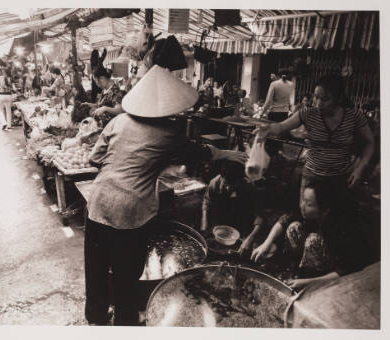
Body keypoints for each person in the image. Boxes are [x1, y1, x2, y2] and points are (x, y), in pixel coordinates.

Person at [84, 65, 249, 326]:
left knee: (96, 269)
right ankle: (124, 323)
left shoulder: (118, 120)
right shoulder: (169, 134)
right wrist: (229, 154)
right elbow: (201, 153)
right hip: (131, 210)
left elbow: (94, 159)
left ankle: (95, 319)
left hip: (97, 202)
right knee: (126, 276)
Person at [254, 75, 375, 197]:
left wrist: (360, 168)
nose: (318, 103)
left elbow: (370, 142)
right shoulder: (308, 113)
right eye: (316, 97)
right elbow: (281, 127)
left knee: (334, 214)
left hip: (341, 178)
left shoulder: (354, 116)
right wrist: (268, 128)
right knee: (309, 213)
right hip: (312, 176)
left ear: (339, 99)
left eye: (325, 99)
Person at [251, 181, 370, 290]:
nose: (302, 205)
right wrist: (266, 243)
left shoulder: (340, 229)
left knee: (313, 241)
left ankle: (308, 279)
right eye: (303, 200)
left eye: (308, 204)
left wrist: (307, 282)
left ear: (324, 209)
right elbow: (284, 220)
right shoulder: (307, 212)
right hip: (314, 258)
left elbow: (345, 270)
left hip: (336, 272)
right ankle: (295, 269)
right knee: (294, 227)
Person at [201, 159, 264, 256]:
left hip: (241, 224)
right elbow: (207, 202)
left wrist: (250, 238)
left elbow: (259, 215)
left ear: (241, 179)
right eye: (226, 183)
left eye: (233, 184)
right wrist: (204, 222)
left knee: (245, 250)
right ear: (222, 177)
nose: (228, 187)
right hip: (219, 224)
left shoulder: (249, 187)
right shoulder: (214, 183)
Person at [0, 66, 16, 131]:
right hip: (8, 96)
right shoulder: (11, 78)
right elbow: (14, 89)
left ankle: (3, 123)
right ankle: (9, 126)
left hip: (0, 96)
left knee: (0, 110)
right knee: (8, 111)